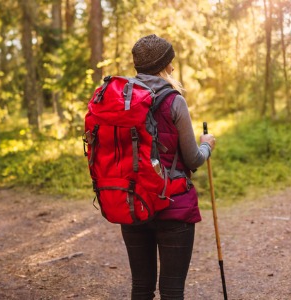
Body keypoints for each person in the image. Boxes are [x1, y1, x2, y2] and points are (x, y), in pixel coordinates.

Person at [120, 34, 217, 300]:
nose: (173, 68)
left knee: (141, 288)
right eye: (170, 63)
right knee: (172, 290)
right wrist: (207, 145)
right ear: (162, 66)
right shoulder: (174, 101)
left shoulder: (121, 99)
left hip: (133, 202)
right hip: (172, 204)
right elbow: (193, 159)